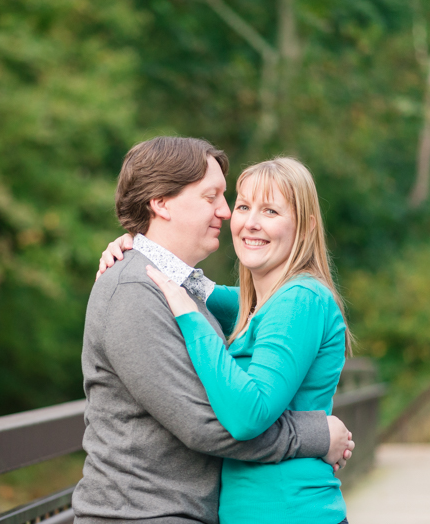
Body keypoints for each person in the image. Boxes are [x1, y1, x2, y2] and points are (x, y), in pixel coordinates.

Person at [73, 136, 353, 524]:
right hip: (146, 515)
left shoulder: (280, 299)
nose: (226, 213)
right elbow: (204, 425)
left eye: (269, 210)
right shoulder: (138, 290)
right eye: (215, 198)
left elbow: (217, 301)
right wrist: (317, 434)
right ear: (161, 202)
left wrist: (143, 247)